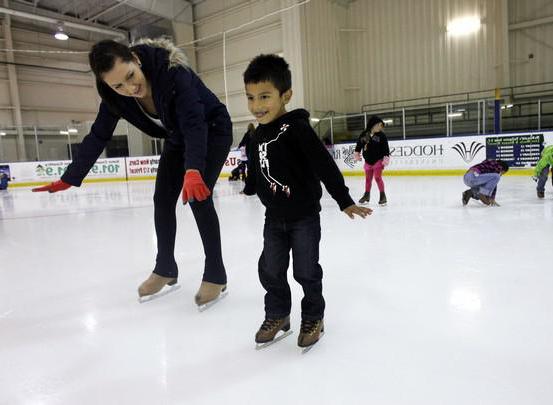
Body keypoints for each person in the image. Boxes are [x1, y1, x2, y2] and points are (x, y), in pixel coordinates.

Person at [32, 38, 233, 308]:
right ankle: (165, 268)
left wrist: (194, 168)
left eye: (130, 76)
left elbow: (194, 121)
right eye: (118, 85)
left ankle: (216, 274)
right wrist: (70, 176)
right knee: (162, 200)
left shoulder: (173, 73)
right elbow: (99, 134)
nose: (130, 88)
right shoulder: (115, 97)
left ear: (136, 60)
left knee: (198, 198)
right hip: (177, 137)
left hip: (211, 128)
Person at [243, 54, 372, 350]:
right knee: (271, 270)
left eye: (265, 96)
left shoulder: (298, 128)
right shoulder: (256, 135)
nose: (256, 105)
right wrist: (250, 188)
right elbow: (256, 167)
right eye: (250, 98)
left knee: (306, 271)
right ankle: (278, 314)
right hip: (273, 219)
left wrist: (344, 200)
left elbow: (323, 165)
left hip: (303, 218)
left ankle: (314, 317)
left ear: (285, 94)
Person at [354, 116, 390, 206]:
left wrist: (386, 157)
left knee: (377, 177)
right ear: (373, 125)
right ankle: (366, 195)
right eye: (379, 125)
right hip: (368, 161)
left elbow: (386, 148)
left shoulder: (381, 135)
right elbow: (359, 144)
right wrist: (357, 153)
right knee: (368, 179)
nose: (380, 127)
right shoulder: (365, 134)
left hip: (378, 160)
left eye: (381, 126)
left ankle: (382, 196)